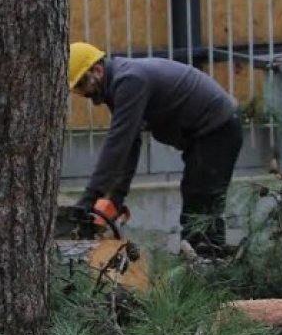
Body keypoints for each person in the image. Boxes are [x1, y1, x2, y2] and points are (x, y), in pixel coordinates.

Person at [68, 42, 243, 256]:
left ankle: (209, 267)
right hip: (206, 134)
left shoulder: (130, 80)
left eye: (81, 85)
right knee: (198, 200)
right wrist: (116, 198)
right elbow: (130, 144)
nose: (82, 93)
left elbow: (118, 143)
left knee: (201, 202)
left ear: (97, 70)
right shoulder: (119, 83)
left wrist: (89, 197)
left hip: (218, 129)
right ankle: (207, 263)